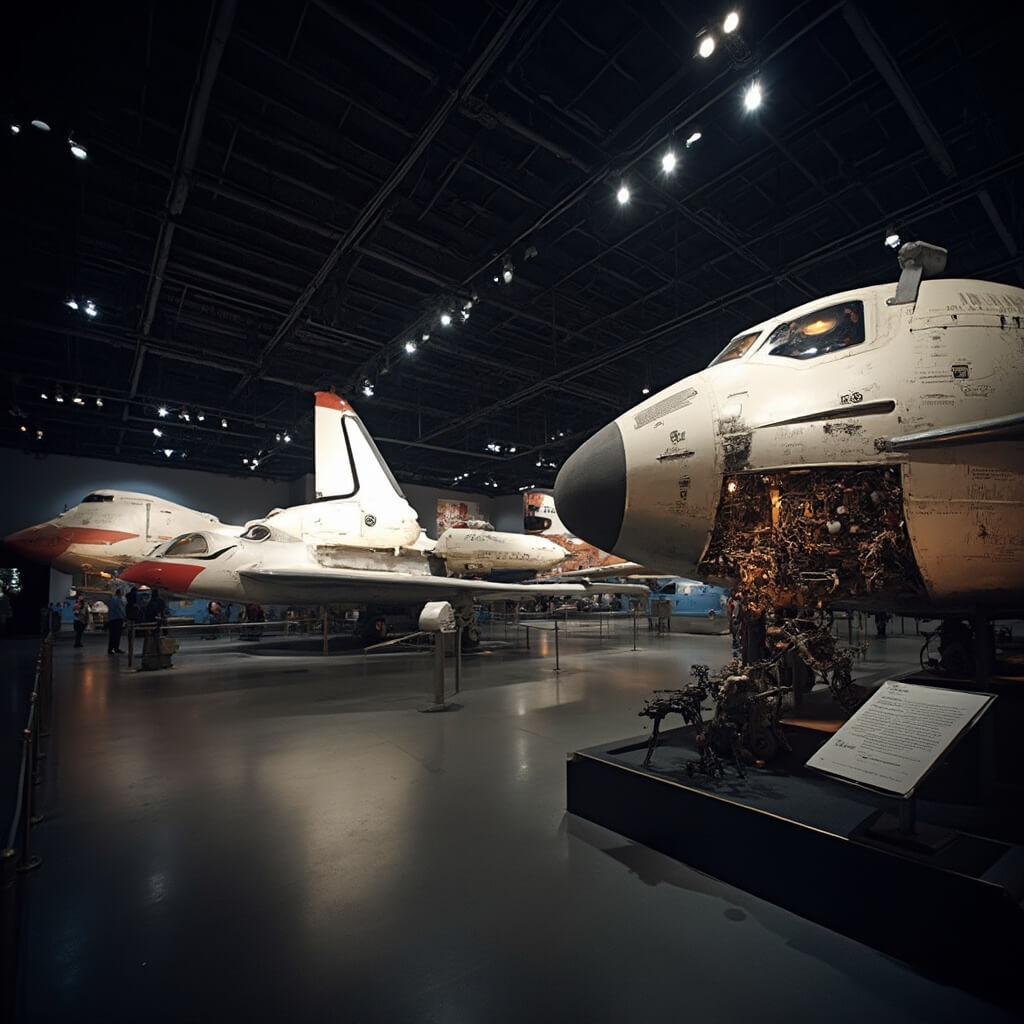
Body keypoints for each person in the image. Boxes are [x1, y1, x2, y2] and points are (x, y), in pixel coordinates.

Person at [107, 588, 126, 654]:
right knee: (117, 634)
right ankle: (115, 648)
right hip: (118, 618)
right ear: (120, 593)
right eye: (122, 592)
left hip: (112, 619)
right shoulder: (118, 600)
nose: (123, 593)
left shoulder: (112, 599)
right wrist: (125, 616)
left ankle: (111, 648)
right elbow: (121, 609)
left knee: (112, 634)